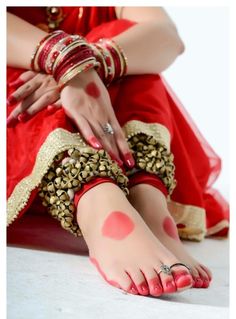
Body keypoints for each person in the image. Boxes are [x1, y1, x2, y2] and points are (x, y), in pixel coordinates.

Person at [7, 6, 229, 297]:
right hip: (23, 151)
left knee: (121, 38)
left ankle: (147, 204)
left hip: (116, 141)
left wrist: (88, 67)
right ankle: (99, 206)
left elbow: (167, 36)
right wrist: (63, 60)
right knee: (20, 70)